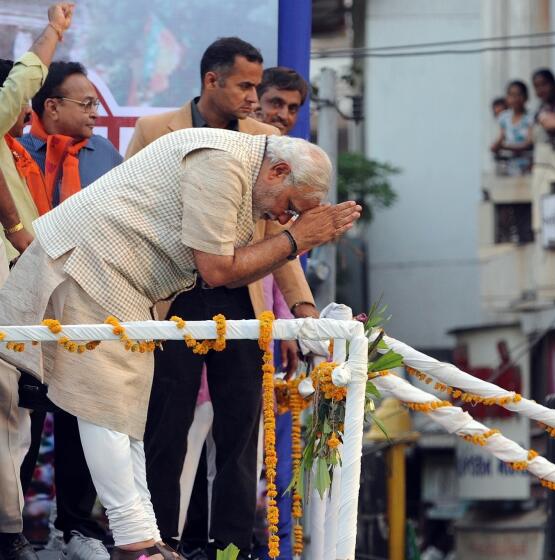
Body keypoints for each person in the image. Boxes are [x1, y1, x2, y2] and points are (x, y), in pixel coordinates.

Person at [0, 127, 362, 560]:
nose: (284, 219)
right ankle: (135, 541)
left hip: (120, 283)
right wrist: (298, 239)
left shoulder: (249, 171)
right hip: (88, 265)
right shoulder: (222, 163)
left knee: (126, 411)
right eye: (290, 208)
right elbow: (216, 270)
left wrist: (297, 265)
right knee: (106, 405)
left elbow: (249, 263)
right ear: (279, 171)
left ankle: (145, 535)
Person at [126, 37, 317, 560]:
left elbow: (282, 233)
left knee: (239, 430)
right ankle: (159, 541)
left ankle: (230, 546)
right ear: (212, 81)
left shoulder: (262, 140)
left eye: (259, 86)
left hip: (240, 297)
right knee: (167, 426)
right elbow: (132, 212)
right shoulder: (153, 131)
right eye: (247, 86)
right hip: (172, 297)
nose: (256, 98)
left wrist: (302, 307)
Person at [14, 60, 123, 560]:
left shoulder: (109, 158)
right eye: (86, 103)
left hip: (86, 306)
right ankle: (11, 528)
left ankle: (78, 528)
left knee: (81, 416)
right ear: (50, 106)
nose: (96, 114)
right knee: (21, 420)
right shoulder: (15, 153)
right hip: (25, 305)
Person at [0, 5, 74, 560]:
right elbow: (28, 74)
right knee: (7, 413)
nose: (26, 109)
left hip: (23, 295)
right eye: (20, 100)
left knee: (16, 419)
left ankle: (11, 530)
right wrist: (53, 32)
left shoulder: (13, 154)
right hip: (6, 290)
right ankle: (7, 533)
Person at [490, 80, 533, 176]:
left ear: (526, 97)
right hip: (508, 166)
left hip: (527, 166)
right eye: (512, 95)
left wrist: (507, 146)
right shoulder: (504, 118)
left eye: (519, 95)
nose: (515, 99)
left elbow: (529, 142)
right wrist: (495, 146)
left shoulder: (530, 117)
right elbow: (500, 139)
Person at [256, 66, 308, 136]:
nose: (284, 116)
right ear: (254, 101)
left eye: (292, 109)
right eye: (276, 104)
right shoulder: (237, 143)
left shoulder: (301, 146)